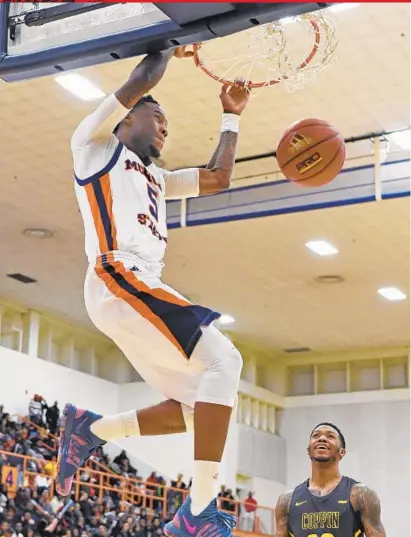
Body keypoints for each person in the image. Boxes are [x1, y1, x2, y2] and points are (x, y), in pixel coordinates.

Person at [56, 46, 250, 537]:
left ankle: (92, 429)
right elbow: (141, 77)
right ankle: (198, 510)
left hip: (136, 287)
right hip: (117, 275)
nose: (165, 126)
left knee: (198, 404)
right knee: (225, 361)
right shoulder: (94, 147)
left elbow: (219, 177)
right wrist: (169, 43)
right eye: (156, 114)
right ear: (127, 118)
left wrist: (230, 117)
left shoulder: (158, 178)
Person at [274, 422, 386, 537]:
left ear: (342, 452)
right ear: (308, 450)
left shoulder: (360, 495)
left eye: (330, 436)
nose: (322, 439)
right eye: (316, 436)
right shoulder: (287, 501)